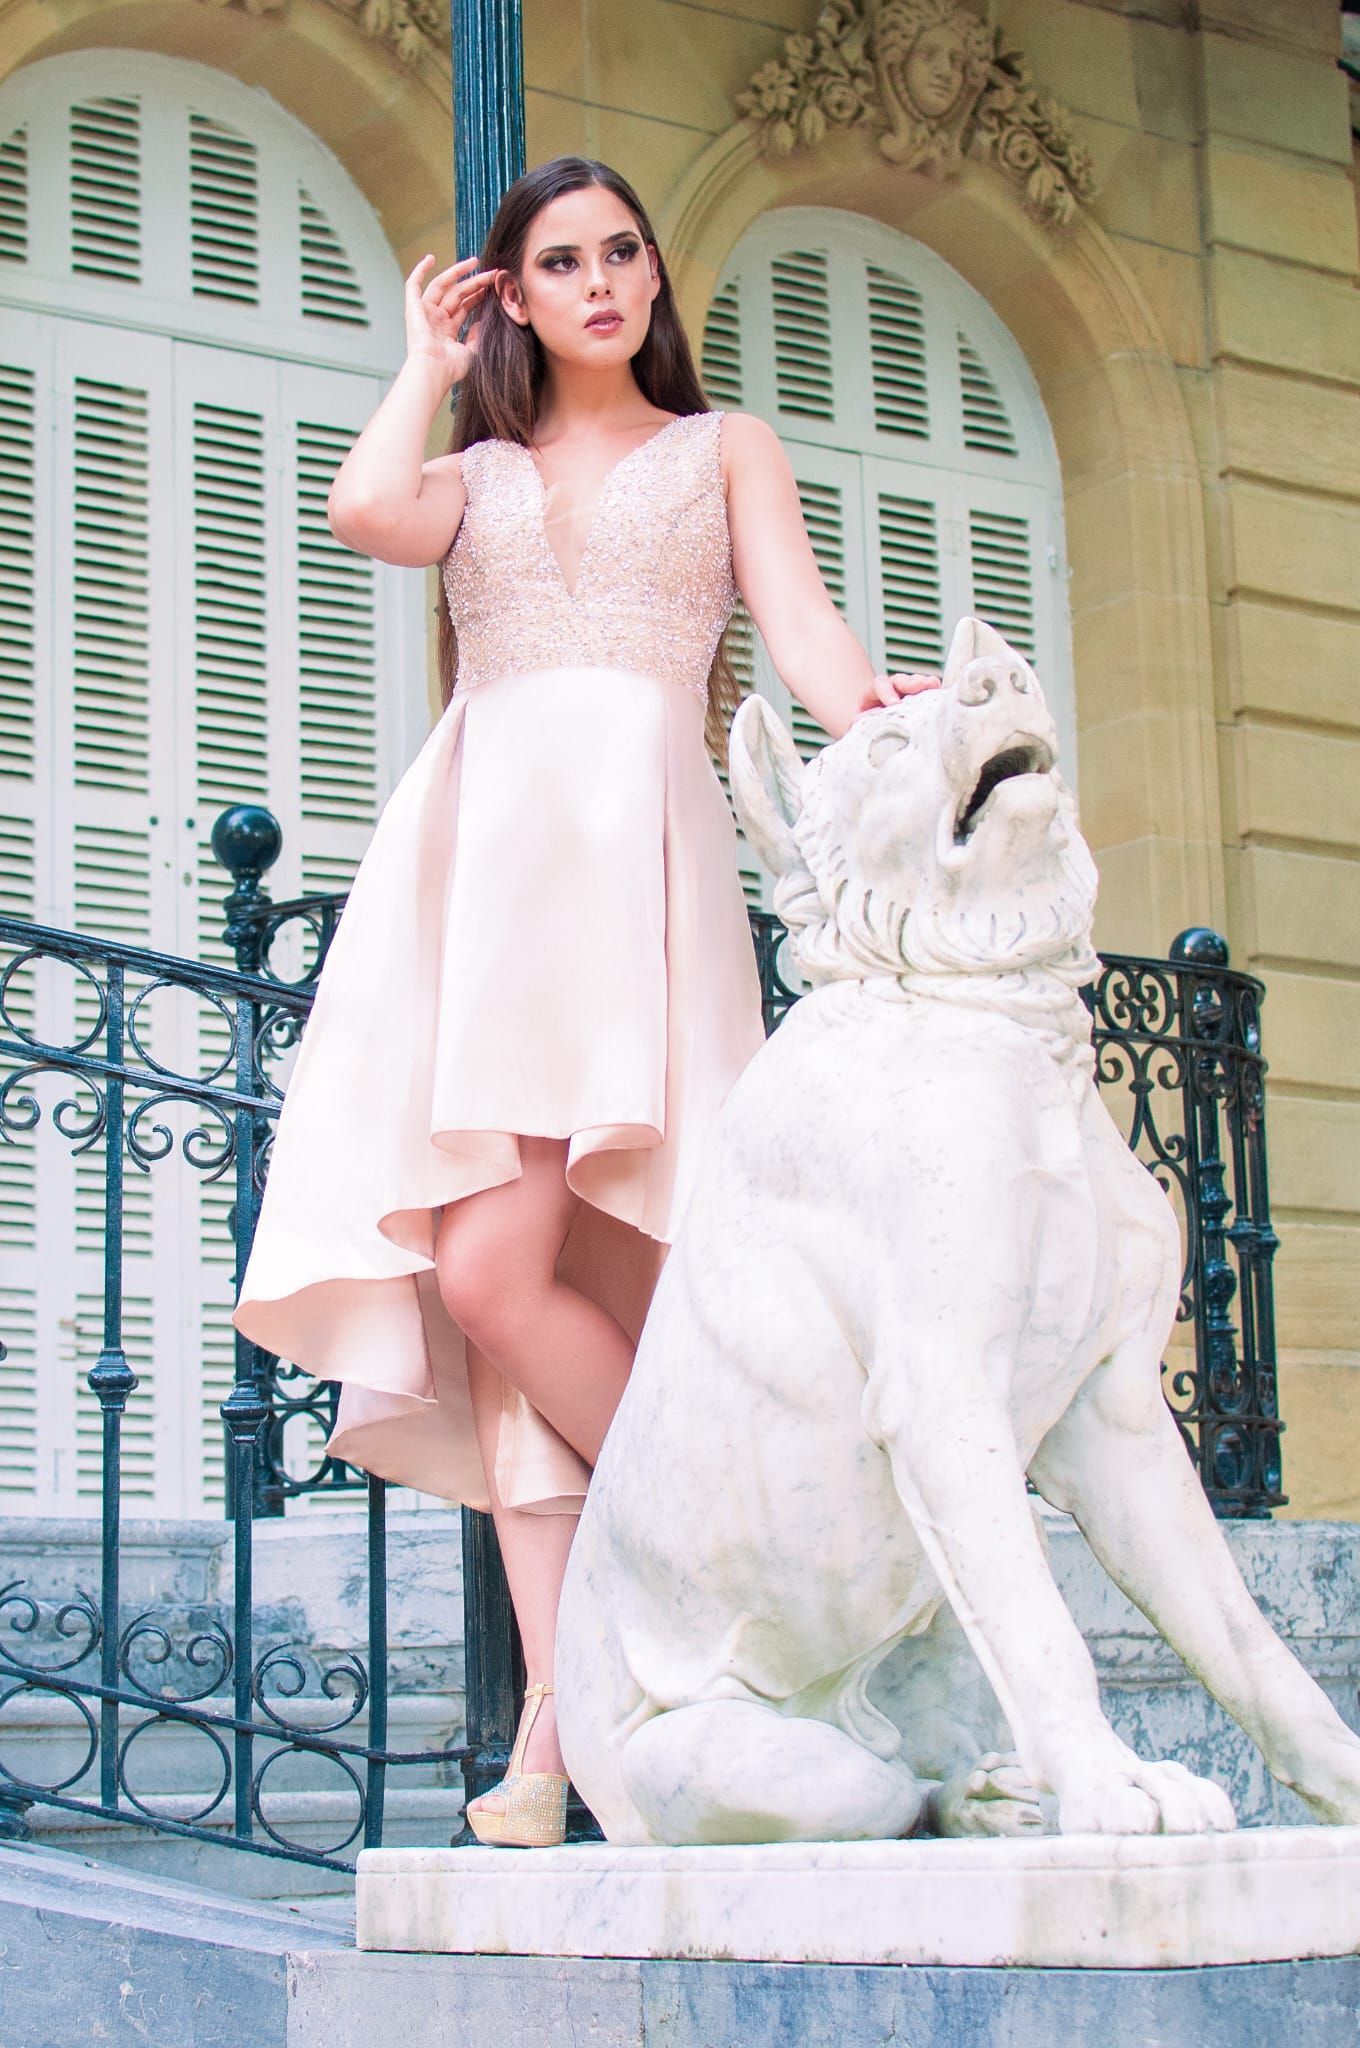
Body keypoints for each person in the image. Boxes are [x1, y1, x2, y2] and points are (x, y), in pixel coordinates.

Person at [230, 154, 940, 1849]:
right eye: (562, 261)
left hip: (644, 877)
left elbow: (803, 631)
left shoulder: (724, 449)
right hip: (485, 884)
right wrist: (421, 355)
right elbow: (357, 508)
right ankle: (588, 1685)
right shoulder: (471, 472)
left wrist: (882, 717)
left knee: (610, 1267)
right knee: (491, 1288)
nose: (604, 280)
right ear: (517, 296)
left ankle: (587, 1708)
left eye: (623, 252)